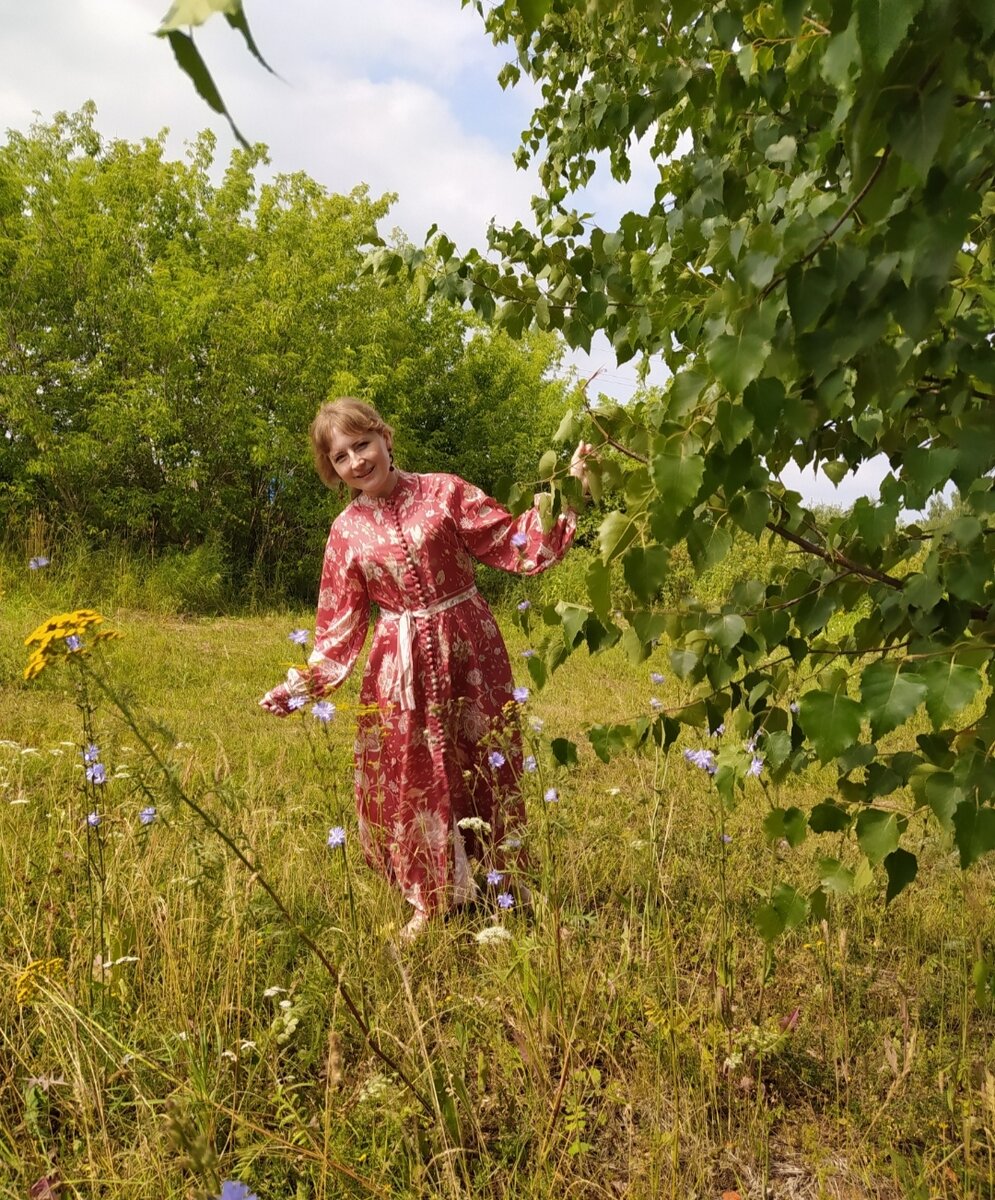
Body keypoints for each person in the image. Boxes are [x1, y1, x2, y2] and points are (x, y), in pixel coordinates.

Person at [260, 398, 590, 940]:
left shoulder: (444, 492)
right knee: (416, 775)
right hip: (400, 668)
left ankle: (511, 880)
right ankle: (433, 897)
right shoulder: (345, 532)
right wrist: (301, 686)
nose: (356, 461)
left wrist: (570, 488)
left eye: (362, 444)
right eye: (340, 457)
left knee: (489, 759)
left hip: (471, 650)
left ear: (385, 438)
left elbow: (511, 539)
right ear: (333, 470)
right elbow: (339, 625)